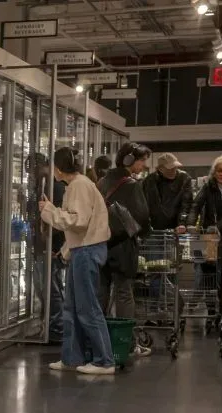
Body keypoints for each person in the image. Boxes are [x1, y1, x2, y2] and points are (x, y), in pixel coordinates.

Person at [40, 147, 116, 375]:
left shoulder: (79, 186)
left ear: (58, 167)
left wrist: (49, 212)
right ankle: (72, 357)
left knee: (87, 307)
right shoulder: (79, 184)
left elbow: (78, 221)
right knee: (72, 306)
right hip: (82, 250)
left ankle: (104, 360)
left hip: (86, 251)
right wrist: (66, 250)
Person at [97, 142, 152, 356]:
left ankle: (99, 342)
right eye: (141, 161)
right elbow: (142, 217)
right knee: (124, 294)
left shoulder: (101, 181)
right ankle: (125, 343)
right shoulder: (132, 184)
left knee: (101, 294)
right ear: (129, 160)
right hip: (122, 247)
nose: (143, 166)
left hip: (101, 244)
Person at [29, 152, 66, 343]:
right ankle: (49, 327)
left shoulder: (55, 187)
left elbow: (61, 219)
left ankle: (56, 328)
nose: (33, 173)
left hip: (51, 246)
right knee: (45, 288)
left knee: (51, 288)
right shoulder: (41, 186)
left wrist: (55, 245)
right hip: (42, 245)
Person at [142, 152, 194, 232]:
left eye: (175, 167)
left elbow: (186, 204)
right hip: (155, 228)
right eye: (170, 168)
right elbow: (146, 205)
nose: (174, 170)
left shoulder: (184, 178)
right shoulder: (150, 181)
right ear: (160, 169)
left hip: (177, 227)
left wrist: (182, 223)